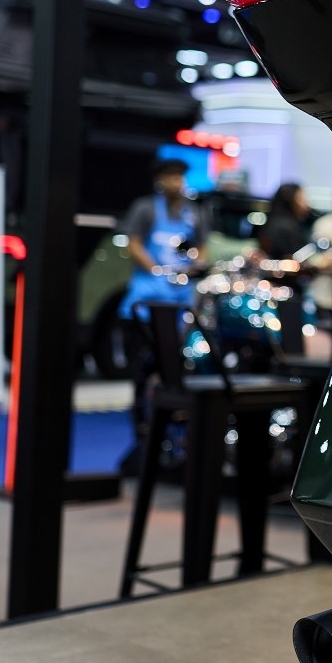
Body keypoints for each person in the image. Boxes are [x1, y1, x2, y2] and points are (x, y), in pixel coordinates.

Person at [118, 158, 209, 473]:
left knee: (174, 376)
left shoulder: (194, 213)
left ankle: (171, 442)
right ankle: (142, 438)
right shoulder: (145, 209)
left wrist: (193, 266)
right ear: (159, 180)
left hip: (179, 308)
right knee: (141, 376)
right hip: (145, 307)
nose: (177, 183)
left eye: (181, 177)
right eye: (171, 177)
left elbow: (203, 247)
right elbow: (133, 245)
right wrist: (158, 270)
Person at [257, 182, 314, 259]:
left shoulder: (269, 223)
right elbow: (298, 260)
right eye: (301, 198)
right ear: (290, 200)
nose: (306, 204)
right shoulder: (288, 228)